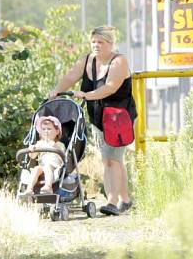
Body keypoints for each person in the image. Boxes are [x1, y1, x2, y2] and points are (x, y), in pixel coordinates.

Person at [49, 25, 134, 216]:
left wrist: (86, 95)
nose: (96, 45)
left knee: (112, 158)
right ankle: (125, 200)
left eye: (100, 42)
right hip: (98, 117)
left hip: (120, 117)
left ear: (110, 44)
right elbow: (70, 76)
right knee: (110, 159)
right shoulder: (86, 60)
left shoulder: (119, 62)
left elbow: (110, 88)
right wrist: (55, 91)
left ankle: (112, 202)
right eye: (93, 41)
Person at [21, 116, 66, 195]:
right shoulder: (39, 143)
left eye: (49, 129)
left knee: (47, 167)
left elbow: (63, 157)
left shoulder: (60, 145)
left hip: (54, 167)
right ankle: (29, 189)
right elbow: (33, 156)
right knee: (35, 169)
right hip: (42, 167)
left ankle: (48, 187)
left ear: (57, 131)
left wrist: (55, 146)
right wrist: (31, 150)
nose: (46, 131)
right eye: (44, 129)